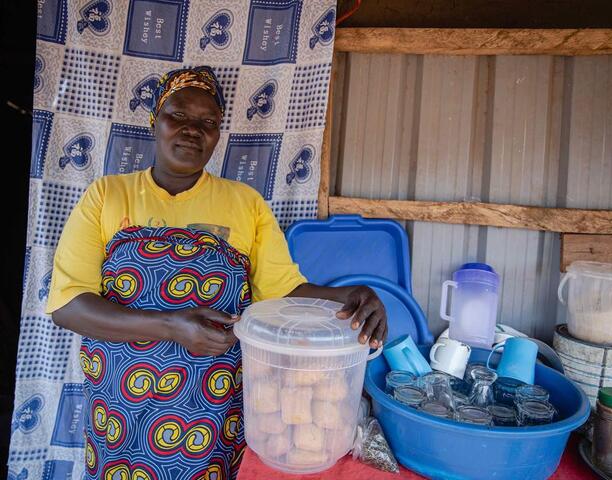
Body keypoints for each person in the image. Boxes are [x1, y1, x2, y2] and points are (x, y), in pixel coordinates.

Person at [47, 66, 387, 480]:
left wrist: (352, 296)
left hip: (213, 411)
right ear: (155, 120)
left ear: (218, 134)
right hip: (122, 411)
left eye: (208, 122)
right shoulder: (106, 196)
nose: (192, 130)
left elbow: (283, 293)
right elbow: (68, 304)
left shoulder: (245, 204)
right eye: (178, 115)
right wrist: (170, 326)